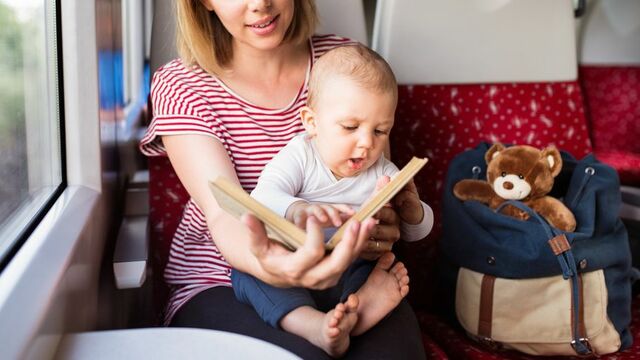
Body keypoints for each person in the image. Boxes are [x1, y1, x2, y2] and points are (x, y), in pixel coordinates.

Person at [140, 1, 427, 358]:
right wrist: (278, 267)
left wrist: (386, 224)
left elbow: (372, 175)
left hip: (347, 271)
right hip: (226, 277)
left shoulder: (349, 64)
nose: (260, 4)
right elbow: (224, 211)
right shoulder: (182, 84)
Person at [232, 44, 434, 357]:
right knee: (247, 274)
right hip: (293, 268)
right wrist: (299, 208)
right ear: (312, 123)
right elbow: (262, 197)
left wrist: (413, 212)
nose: (367, 143)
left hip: (351, 268)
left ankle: (362, 308)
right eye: (351, 127)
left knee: (384, 265)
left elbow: (412, 235)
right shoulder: (299, 155)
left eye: (381, 131)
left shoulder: (383, 170)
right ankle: (311, 325)